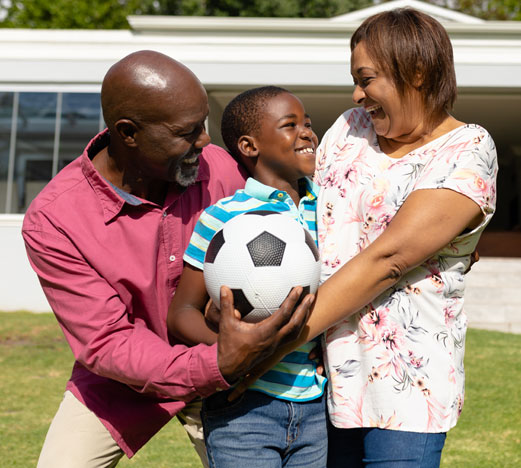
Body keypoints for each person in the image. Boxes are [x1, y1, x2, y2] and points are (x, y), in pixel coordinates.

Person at [231, 9, 498, 468]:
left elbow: (389, 258)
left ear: (415, 71)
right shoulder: (350, 128)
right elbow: (299, 198)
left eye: (367, 78)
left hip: (406, 389)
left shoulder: (469, 149)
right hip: (319, 381)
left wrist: (267, 349)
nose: (358, 94)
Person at [22, 51, 313, 468]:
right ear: (128, 133)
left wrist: (237, 356)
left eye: (204, 124)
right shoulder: (54, 219)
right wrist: (217, 362)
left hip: (233, 367)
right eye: (187, 131)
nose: (205, 142)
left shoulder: (223, 171)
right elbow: (107, 342)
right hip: (127, 382)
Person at [167, 86, 328, 468]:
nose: (307, 133)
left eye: (308, 123)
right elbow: (182, 312)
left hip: (318, 408)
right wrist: (237, 353)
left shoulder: (331, 210)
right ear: (249, 146)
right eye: (290, 125)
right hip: (243, 409)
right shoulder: (222, 218)